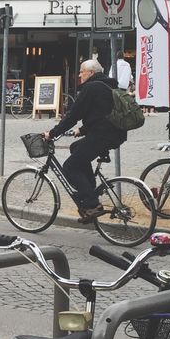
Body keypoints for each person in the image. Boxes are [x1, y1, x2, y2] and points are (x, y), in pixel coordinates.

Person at [43, 59, 127, 221]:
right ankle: (91, 190)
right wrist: (82, 130)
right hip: (114, 134)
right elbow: (102, 114)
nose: (79, 74)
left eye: (82, 71)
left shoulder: (92, 87)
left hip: (102, 136)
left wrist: (52, 133)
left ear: (91, 73)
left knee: (70, 166)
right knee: (76, 148)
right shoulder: (109, 85)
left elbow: (73, 115)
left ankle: (92, 203)